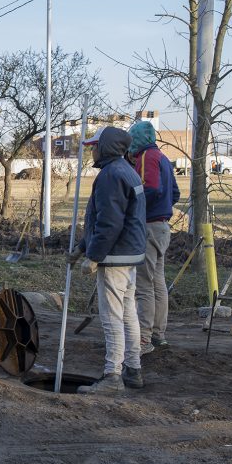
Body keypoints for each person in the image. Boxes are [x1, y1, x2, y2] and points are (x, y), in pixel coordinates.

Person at [68, 126, 147, 395]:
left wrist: (94, 256)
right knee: (127, 314)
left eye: (94, 146)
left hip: (114, 256)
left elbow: (109, 223)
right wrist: (81, 247)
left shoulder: (110, 176)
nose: (91, 150)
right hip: (129, 254)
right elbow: (104, 220)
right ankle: (133, 370)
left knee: (112, 316)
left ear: (107, 148)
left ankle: (112, 376)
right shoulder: (126, 171)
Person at [128, 120, 181, 354]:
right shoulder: (162, 157)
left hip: (148, 226)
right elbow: (174, 193)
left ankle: (144, 339)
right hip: (162, 227)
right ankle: (159, 334)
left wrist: (132, 205)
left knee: (145, 286)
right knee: (158, 283)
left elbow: (151, 188)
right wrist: (163, 207)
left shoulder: (146, 157)